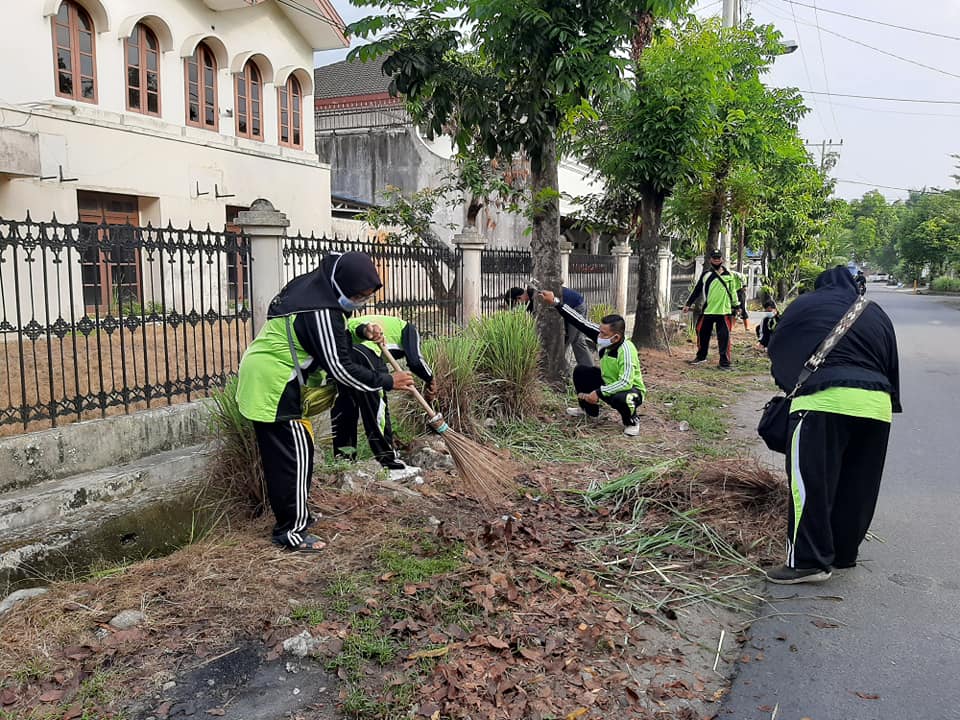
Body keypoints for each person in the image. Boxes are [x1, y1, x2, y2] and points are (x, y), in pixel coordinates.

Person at [236, 252, 414, 553]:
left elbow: (331, 337)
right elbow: (342, 369)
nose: (360, 302)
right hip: (273, 385)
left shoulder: (321, 289)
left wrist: (361, 330)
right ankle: (290, 532)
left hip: (275, 379)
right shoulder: (319, 310)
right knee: (293, 459)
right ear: (342, 286)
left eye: (366, 297)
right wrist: (388, 381)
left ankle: (296, 518)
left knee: (298, 453)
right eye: (357, 296)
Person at [764, 266, 902, 584]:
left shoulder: (805, 304)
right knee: (857, 486)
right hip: (876, 406)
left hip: (821, 402)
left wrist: (790, 385)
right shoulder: (875, 312)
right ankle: (842, 554)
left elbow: (778, 344)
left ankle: (808, 562)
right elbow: (891, 360)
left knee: (811, 485)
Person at [332, 314, 434, 476]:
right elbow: (415, 362)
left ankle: (344, 461)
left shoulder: (381, 322)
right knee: (377, 406)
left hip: (342, 353)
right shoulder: (409, 329)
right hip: (366, 351)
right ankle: (389, 463)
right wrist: (430, 380)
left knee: (346, 404)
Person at [538, 290, 646, 437]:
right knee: (581, 371)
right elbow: (580, 321)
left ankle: (632, 421)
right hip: (608, 383)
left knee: (622, 398)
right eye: (600, 331)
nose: (599, 335)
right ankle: (588, 410)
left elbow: (625, 382)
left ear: (616, 337)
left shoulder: (626, 350)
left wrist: (599, 392)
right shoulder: (602, 336)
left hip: (630, 390)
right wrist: (556, 302)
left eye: (603, 334)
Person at [682, 250, 744, 369]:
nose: (716, 260)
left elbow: (733, 292)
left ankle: (724, 363)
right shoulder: (706, 275)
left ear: (722, 260)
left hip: (724, 312)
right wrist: (688, 304)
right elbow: (697, 290)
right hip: (708, 311)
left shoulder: (729, 275)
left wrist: (737, 306)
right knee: (701, 332)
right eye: (714, 258)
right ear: (710, 260)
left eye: (718, 258)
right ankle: (701, 357)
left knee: (724, 338)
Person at [506, 286, 595, 367]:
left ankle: (584, 370)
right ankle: (587, 369)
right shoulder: (531, 298)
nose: (518, 307)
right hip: (571, 305)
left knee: (571, 340)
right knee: (573, 340)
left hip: (575, 306)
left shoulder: (536, 296)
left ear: (519, 298)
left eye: (516, 304)